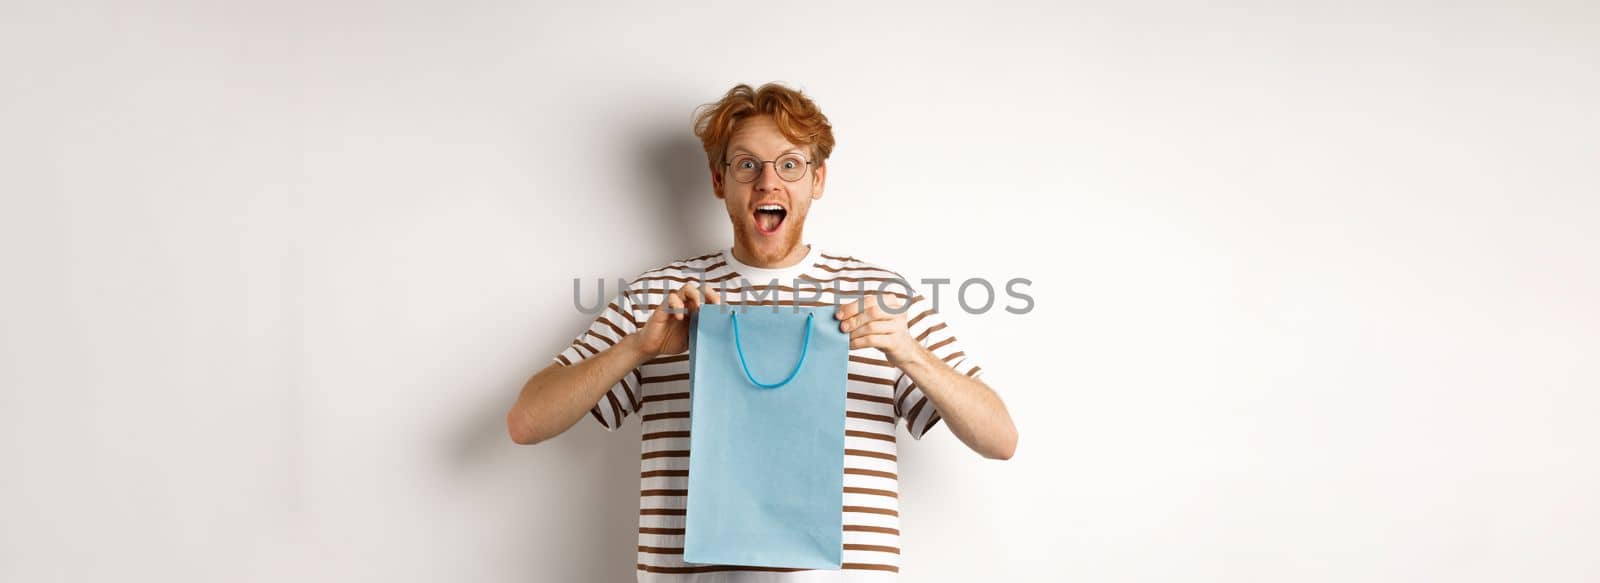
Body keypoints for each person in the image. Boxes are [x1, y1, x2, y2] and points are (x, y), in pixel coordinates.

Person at [505, 82, 1018, 581]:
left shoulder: (881, 295)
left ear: (817, 181)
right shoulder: (661, 296)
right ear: (718, 181)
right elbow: (527, 421)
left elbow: (1000, 439)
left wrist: (911, 355)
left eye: (790, 164)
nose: (768, 183)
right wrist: (639, 347)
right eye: (747, 164)